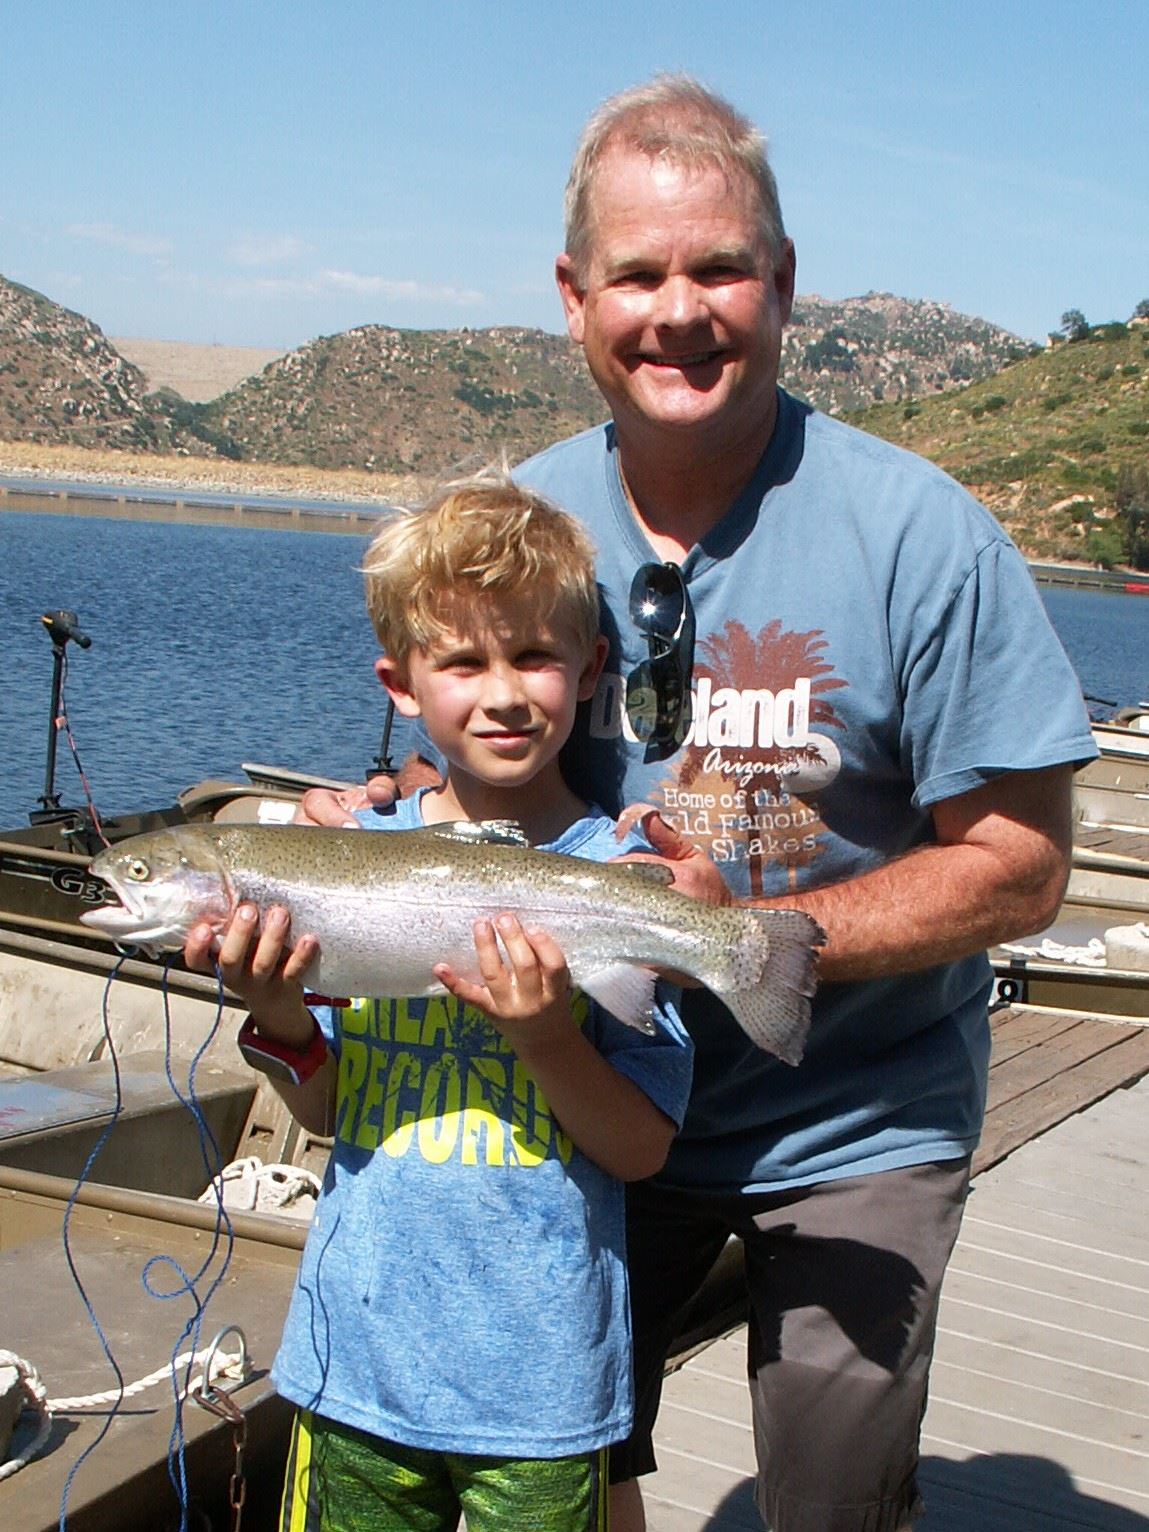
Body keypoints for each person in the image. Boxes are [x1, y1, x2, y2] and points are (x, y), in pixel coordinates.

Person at [301, 76, 1097, 1532]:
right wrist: (370, 817)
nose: (681, 310)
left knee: (832, 1498)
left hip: (855, 1114)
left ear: (782, 285)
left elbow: (1021, 867)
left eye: (720, 268)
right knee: (573, 1474)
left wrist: (755, 940)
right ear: (573, 297)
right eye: (639, 274)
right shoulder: (514, 525)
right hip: (587, 1090)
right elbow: (448, 771)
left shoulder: (921, 533)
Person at [185, 475, 694, 1532]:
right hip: (357, 1370)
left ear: (592, 668)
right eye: (464, 661)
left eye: (534, 657)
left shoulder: (621, 873)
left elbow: (642, 1148)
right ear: (401, 685)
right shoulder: (338, 860)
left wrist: (549, 1035)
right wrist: (279, 1014)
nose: (503, 692)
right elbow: (323, 1116)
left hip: (547, 1392)